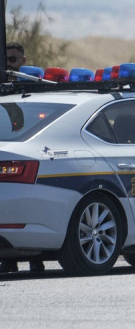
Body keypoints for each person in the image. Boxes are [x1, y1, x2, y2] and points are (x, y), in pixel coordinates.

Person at [0, 42, 45, 274]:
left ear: (23, 61)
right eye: (6, 59)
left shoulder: (35, 91)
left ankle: (36, 259)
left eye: (14, 60)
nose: (9, 64)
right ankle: (9, 260)